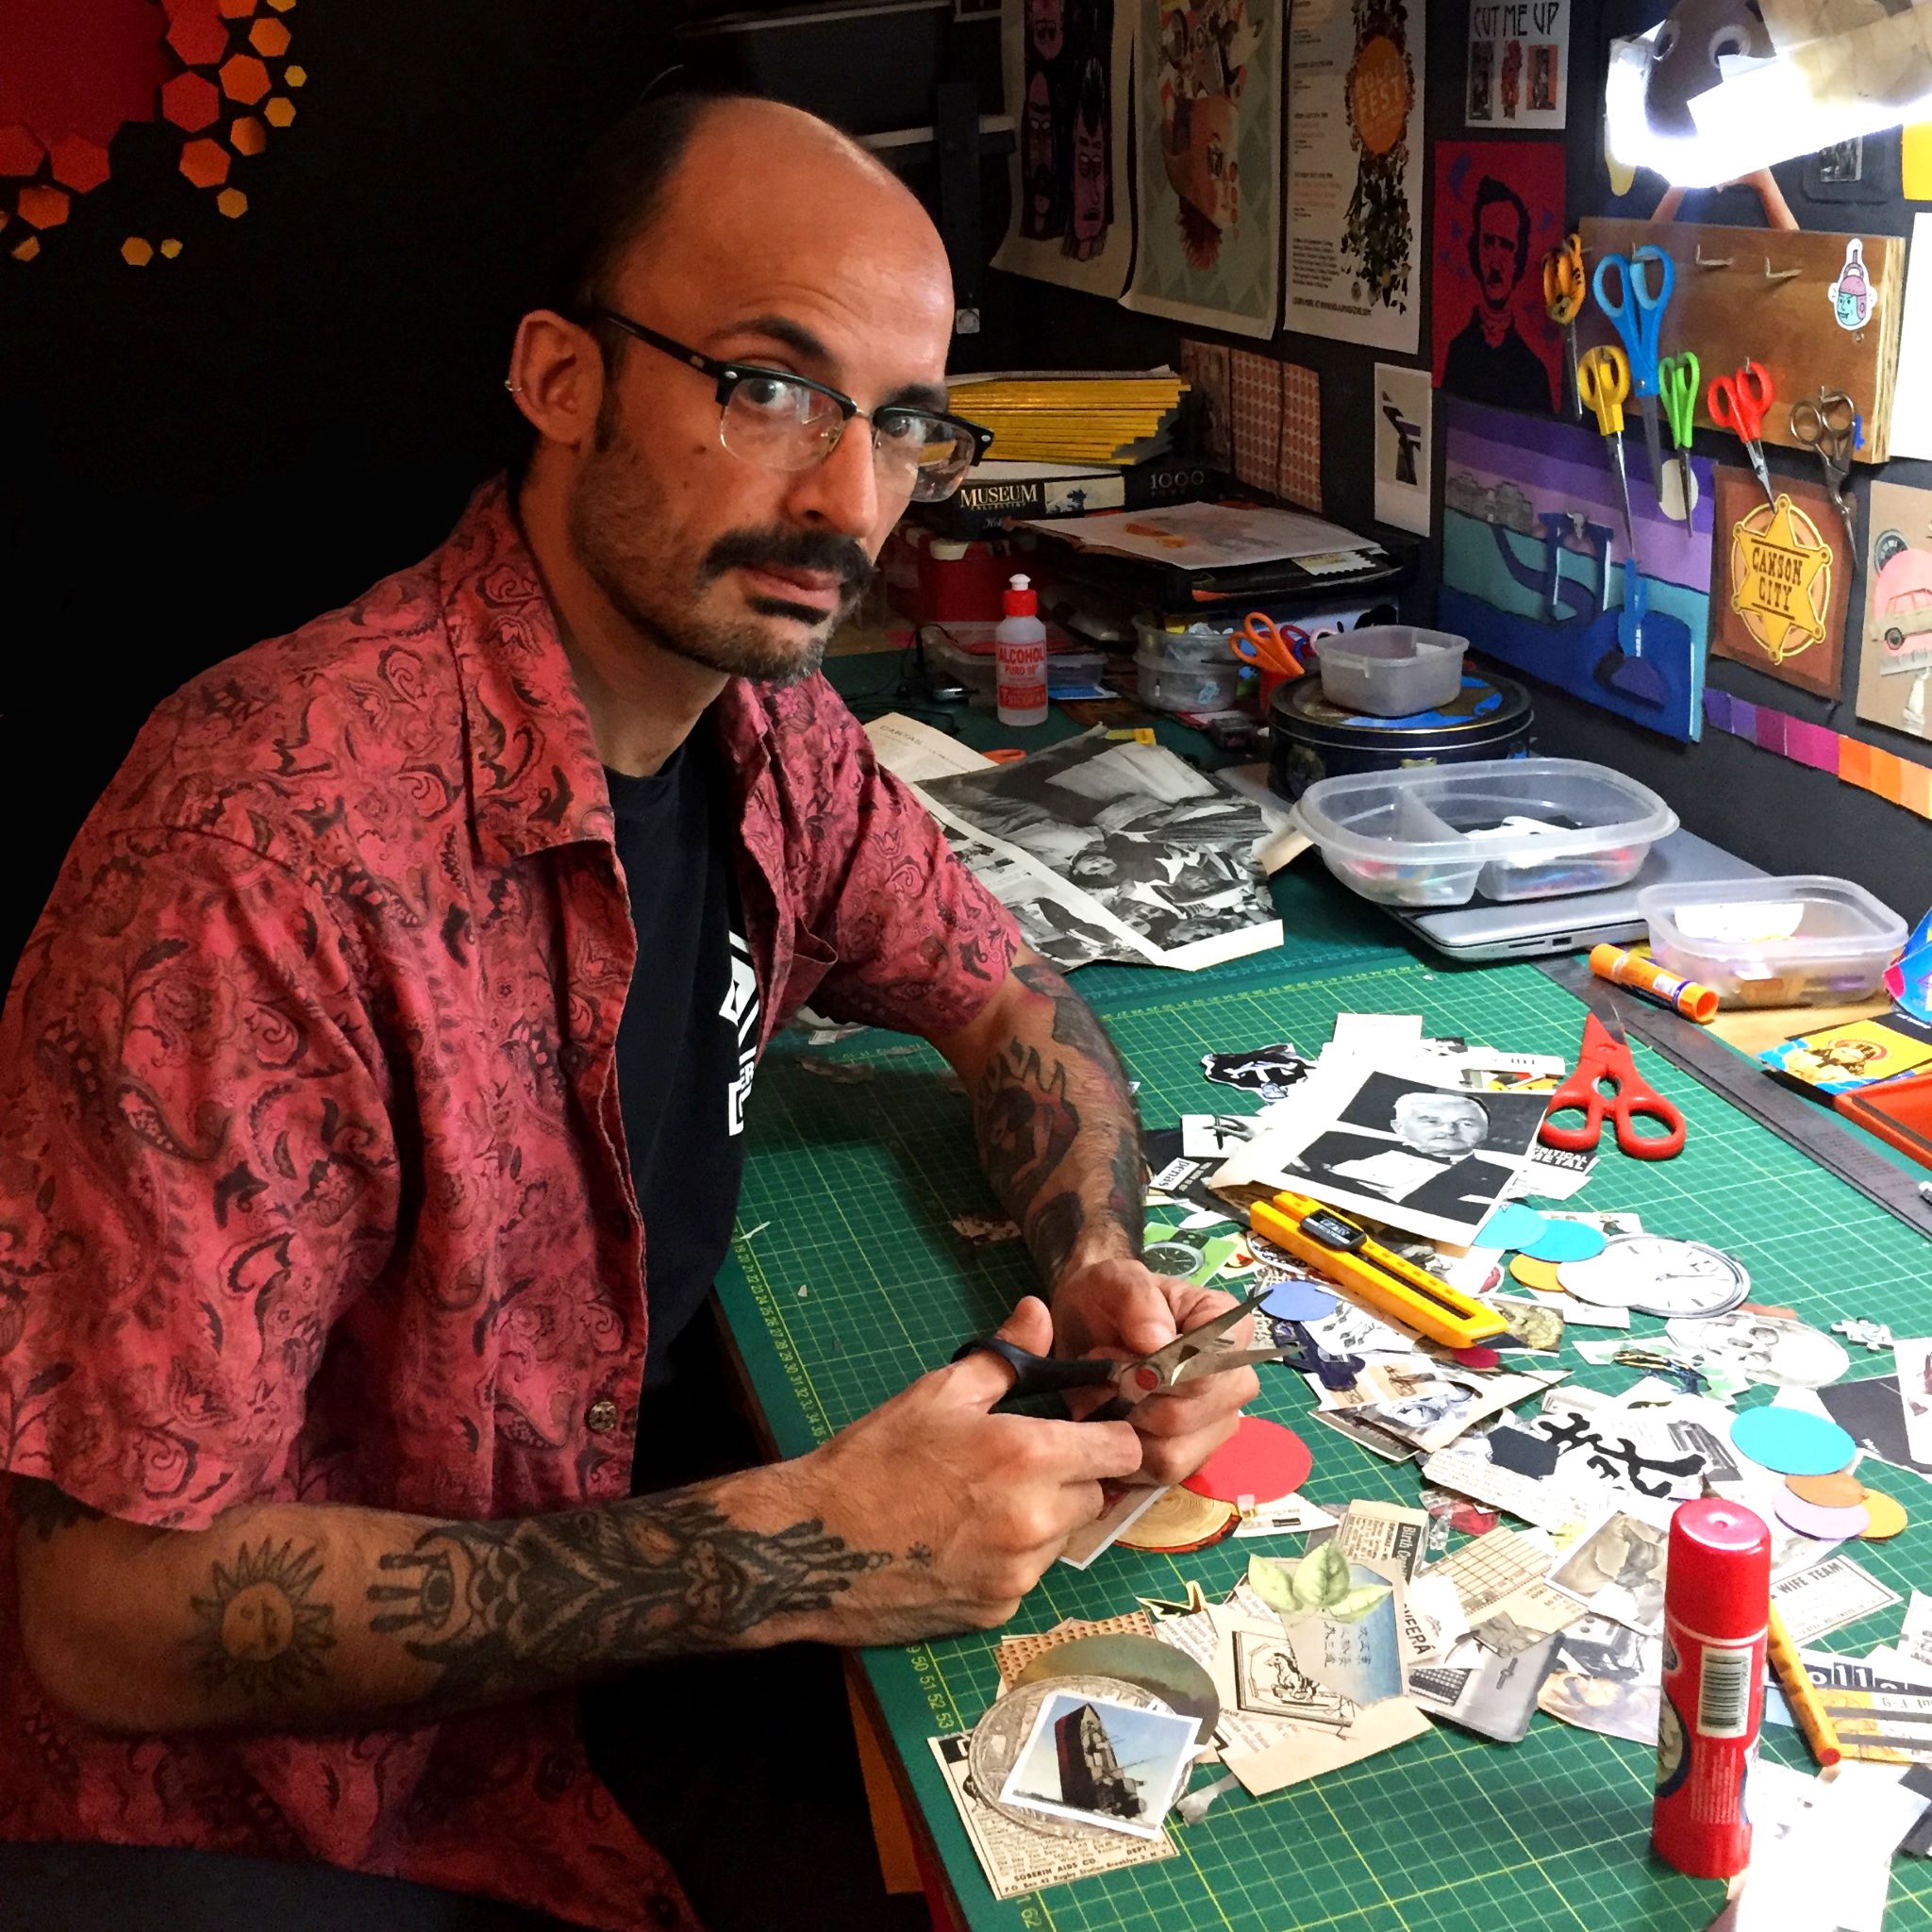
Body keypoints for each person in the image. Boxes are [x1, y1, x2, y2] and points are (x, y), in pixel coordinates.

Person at [0, 92, 1258, 1932]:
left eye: (901, 422)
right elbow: (105, 1617)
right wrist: (795, 1549)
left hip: (603, 1673)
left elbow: (1008, 994)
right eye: (768, 386)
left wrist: (1093, 1270)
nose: (847, 501)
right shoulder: (260, 848)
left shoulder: (767, 725)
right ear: (558, 377)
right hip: (294, 1820)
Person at [1294, 1090, 1516, 1224]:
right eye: (1432, 1121)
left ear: (1485, 1133)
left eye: (1466, 1123)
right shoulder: (1338, 1150)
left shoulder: (1500, 1179)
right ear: (1398, 1127)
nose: (1449, 1131)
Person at [1441, 175, 1553, 410]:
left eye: (1506, 246)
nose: (1495, 261)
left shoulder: (1534, 371)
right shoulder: (1458, 352)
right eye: (1488, 242)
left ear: (1519, 258)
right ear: (1475, 248)